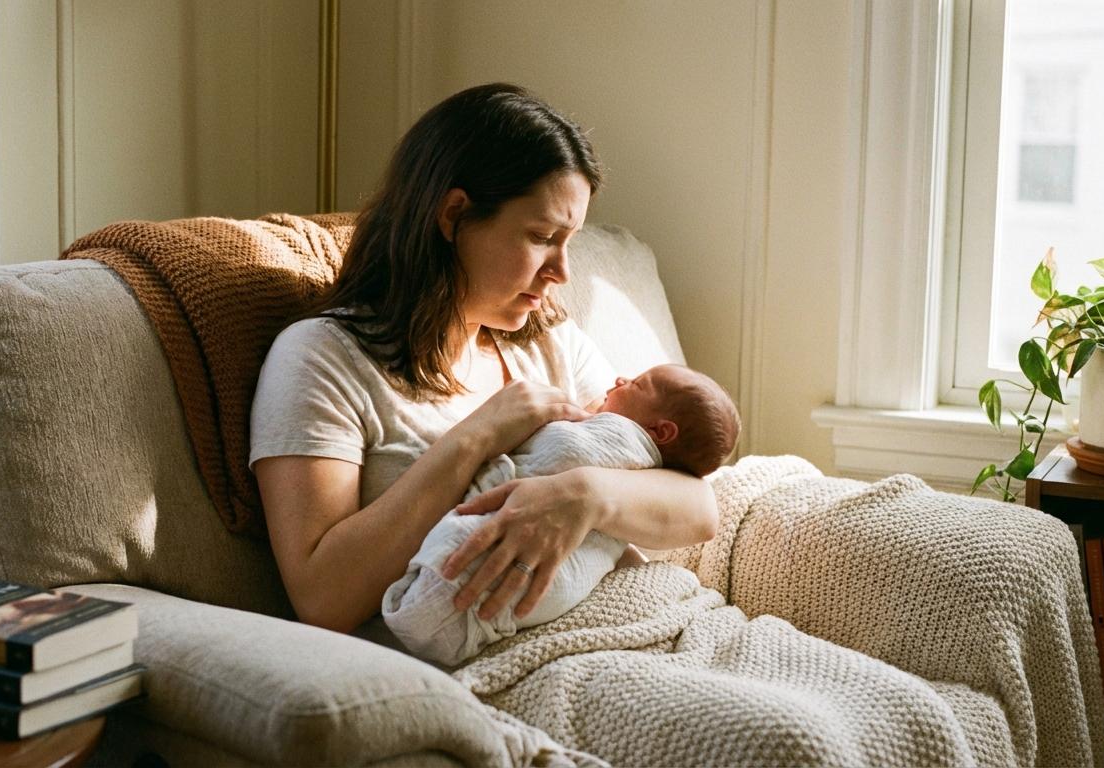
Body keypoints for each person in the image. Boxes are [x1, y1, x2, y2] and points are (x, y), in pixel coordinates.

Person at [249, 82, 719, 649]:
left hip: (643, 623)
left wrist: (584, 495)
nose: (561, 272)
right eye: (543, 236)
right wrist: (474, 437)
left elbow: (698, 507)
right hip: (503, 653)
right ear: (454, 215)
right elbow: (322, 598)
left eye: (569, 241)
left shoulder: (548, 343)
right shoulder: (322, 359)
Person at [383, 364, 740, 666]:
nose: (619, 380)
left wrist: (583, 493)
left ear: (661, 431)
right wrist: (478, 436)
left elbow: (704, 512)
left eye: (635, 383)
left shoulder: (615, 427)